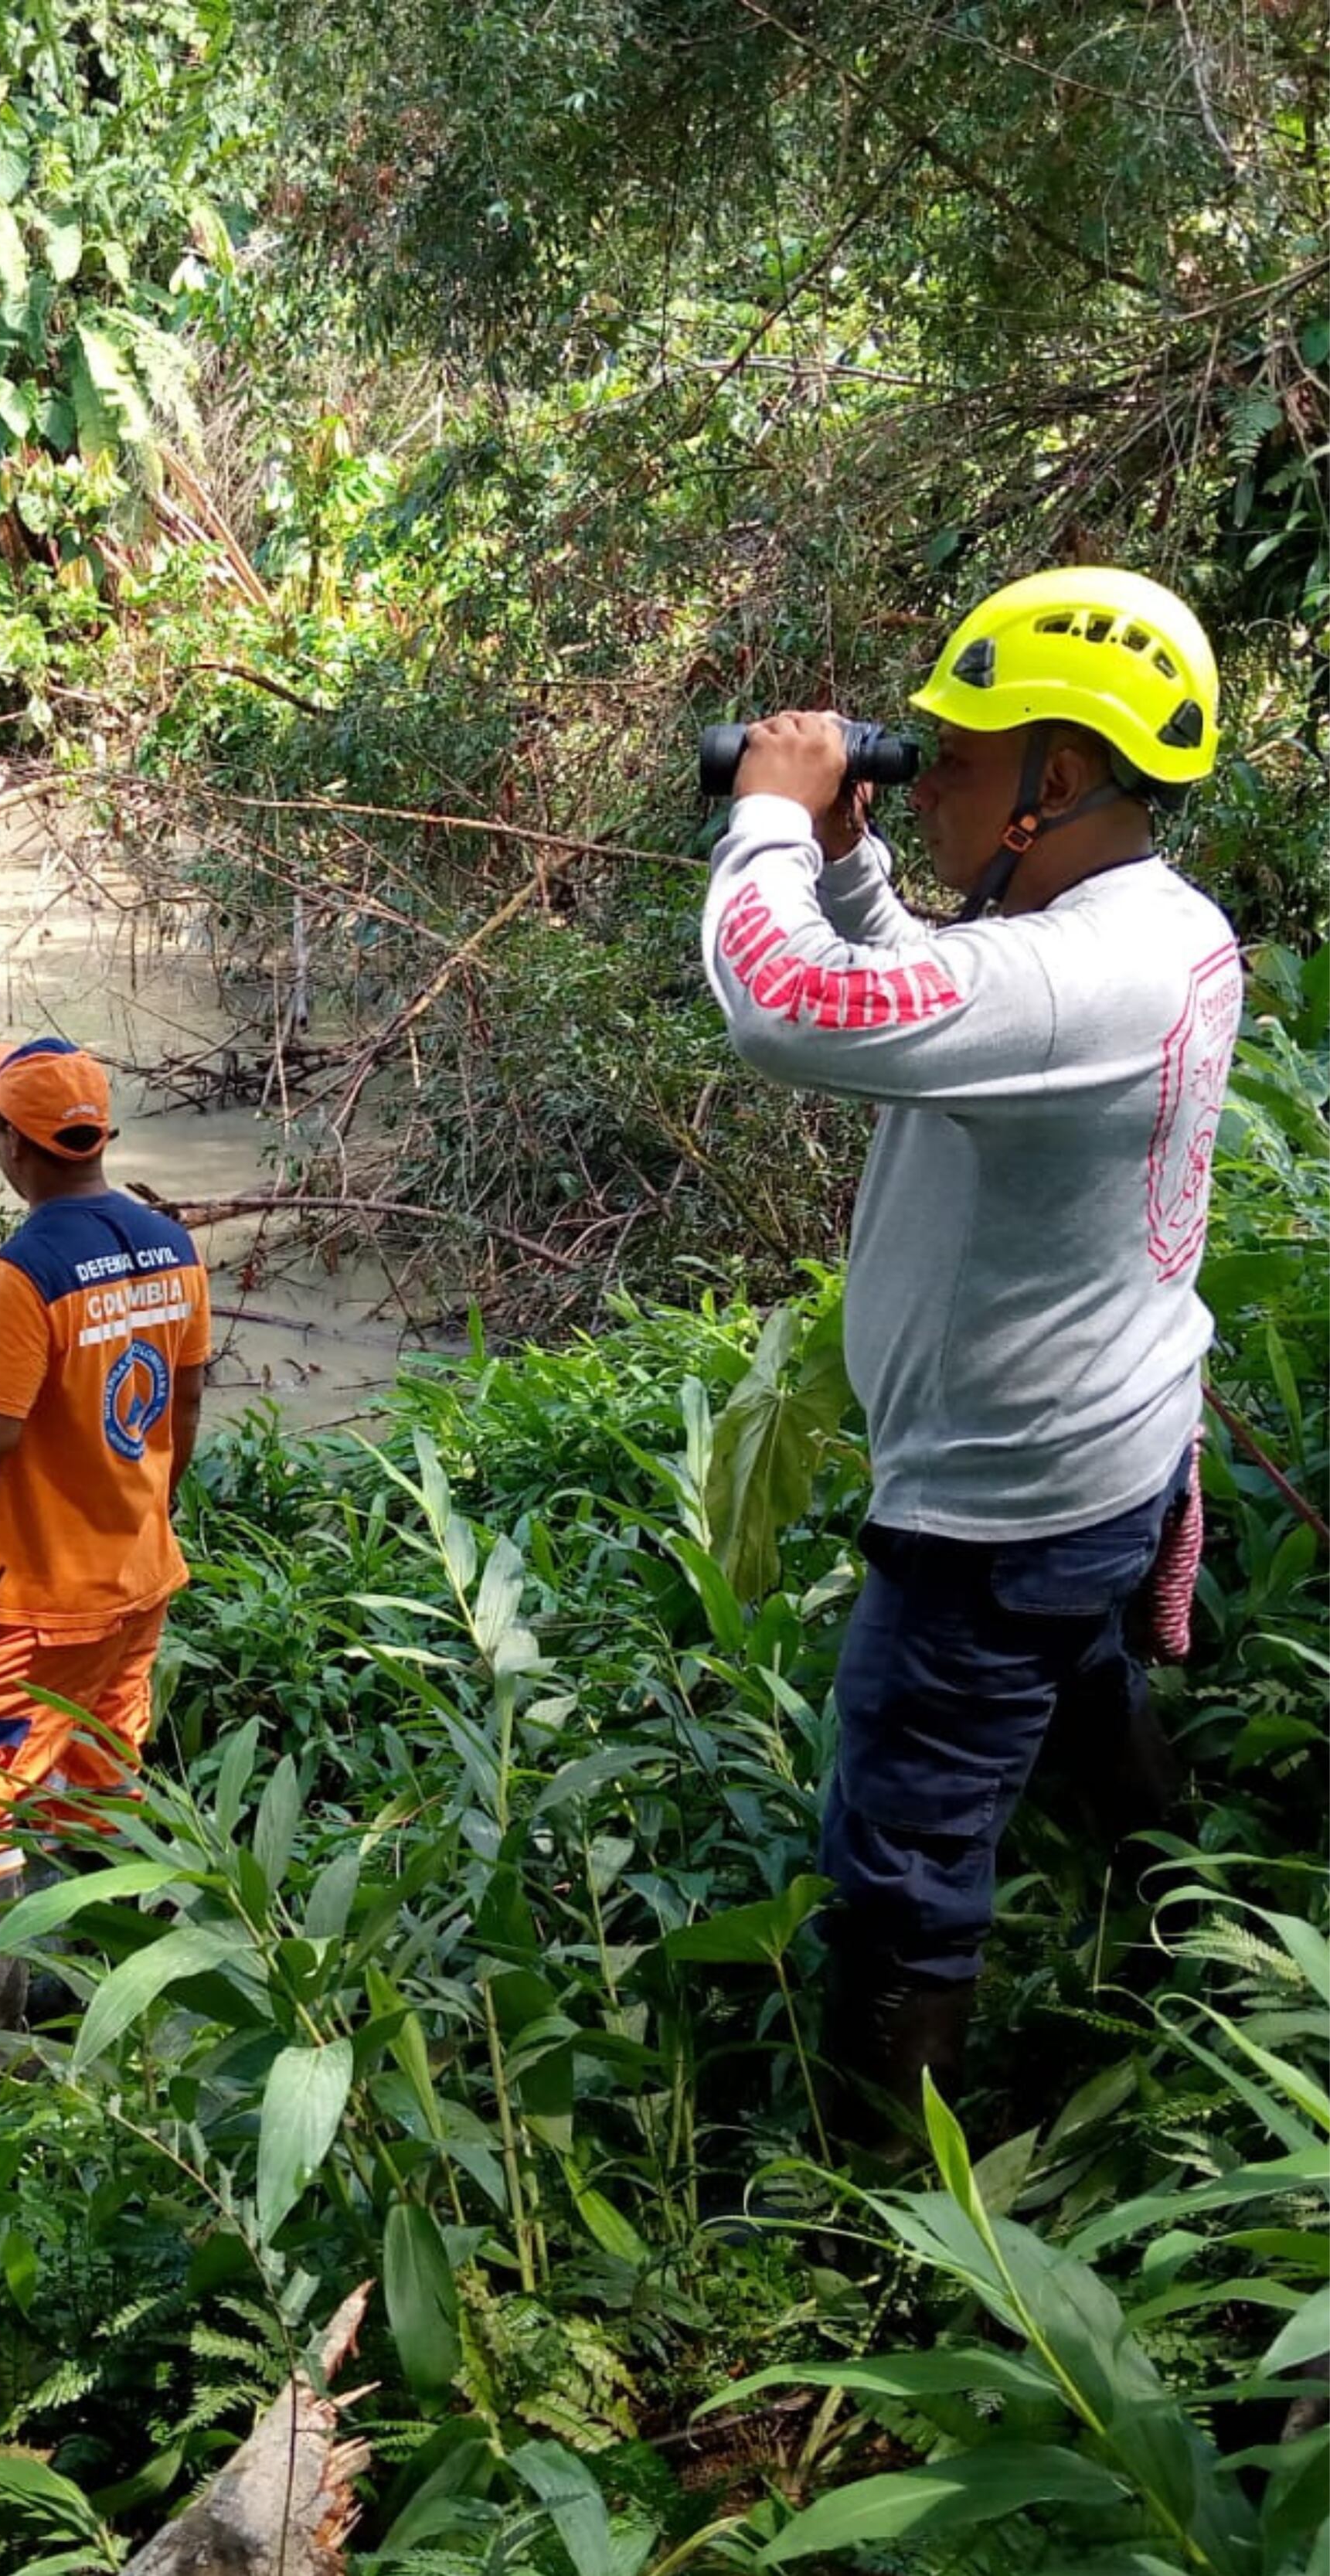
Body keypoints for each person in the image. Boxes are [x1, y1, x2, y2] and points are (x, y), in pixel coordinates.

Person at [703, 566, 1237, 2155]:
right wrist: (851, 862)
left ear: (1054, 780)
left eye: (952, 756)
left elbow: (789, 1008)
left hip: (998, 1510)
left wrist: (770, 817)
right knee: (1082, 1680)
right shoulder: (1156, 930)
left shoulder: (1077, 975)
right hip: (1112, 1452)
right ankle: (1189, 1927)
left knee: (905, 1845)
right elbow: (954, 1006)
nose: (921, 778)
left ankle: (884, 2198)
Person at [0, 1037, 215, 2035]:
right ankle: (102, 2003)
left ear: (10, 1142)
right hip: (138, 1575)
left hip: (28, 1601)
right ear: (98, 1135)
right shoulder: (171, 1245)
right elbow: (184, 1406)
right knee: (99, 1779)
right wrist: (145, 1512)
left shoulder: (21, 1273)